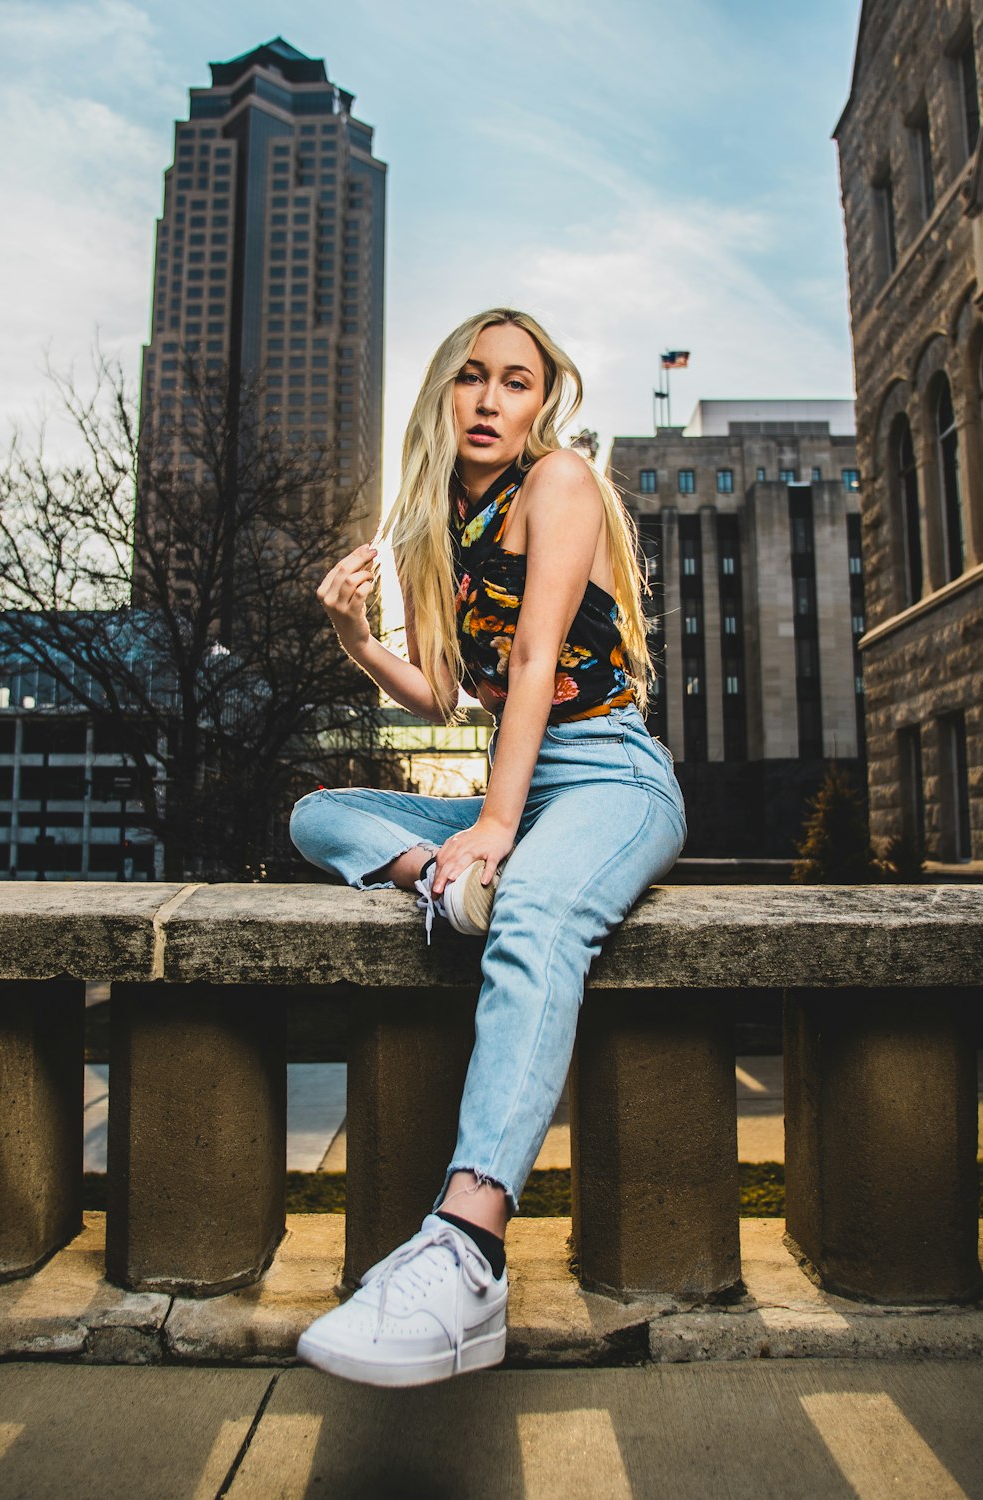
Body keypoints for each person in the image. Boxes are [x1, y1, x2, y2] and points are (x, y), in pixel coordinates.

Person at [289, 307, 686, 1388]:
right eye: (471, 378)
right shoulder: (439, 526)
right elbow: (446, 694)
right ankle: (440, 887)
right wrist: (355, 637)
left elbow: (539, 658)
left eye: (515, 381)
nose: (489, 400)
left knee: (540, 912)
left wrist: (497, 828)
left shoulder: (557, 484)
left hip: (604, 775)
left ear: (541, 400)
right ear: (442, 394)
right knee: (318, 816)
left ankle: (465, 1252)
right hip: (516, 785)